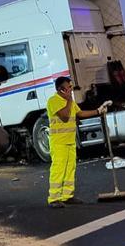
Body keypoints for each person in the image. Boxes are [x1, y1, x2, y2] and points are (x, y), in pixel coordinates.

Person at [46, 76, 111, 209]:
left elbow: (79, 113)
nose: (71, 89)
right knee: (59, 169)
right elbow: (64, 117)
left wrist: (98, 111)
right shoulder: (54, 101)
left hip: (70, 141)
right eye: (69, 87)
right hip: (59, 143)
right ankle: (54, 198)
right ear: (61, 89)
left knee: (70, 169)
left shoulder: (69, 101)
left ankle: (67, 196)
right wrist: (69, 101)